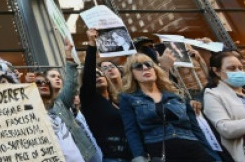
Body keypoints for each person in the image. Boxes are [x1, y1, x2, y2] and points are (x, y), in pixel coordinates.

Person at [119, 54, 220, 162]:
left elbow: (195, 128)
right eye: (138, 66)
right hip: (159, 151)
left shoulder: (176, 94)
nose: (145, 68)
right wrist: (139, 156)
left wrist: (213, 156)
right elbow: (132, 131)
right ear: (132, 74)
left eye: (148, 64)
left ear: (155, 70)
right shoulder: (128, 98)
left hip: (193, 147)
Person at [36, 42, 98, 162]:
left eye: (59, 76)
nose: (57, 78)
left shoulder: (61, 102)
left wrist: (68, 55)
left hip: (83, 155)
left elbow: (71, 83)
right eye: (53, 76)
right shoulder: (33, 111)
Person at [81, 29, 131, 162]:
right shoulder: (90, 100)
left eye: (100, 73)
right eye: (95, 74)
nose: (98, 76)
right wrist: (92, 45)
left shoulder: (117, 101)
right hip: (110, 158)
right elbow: (88, 75)